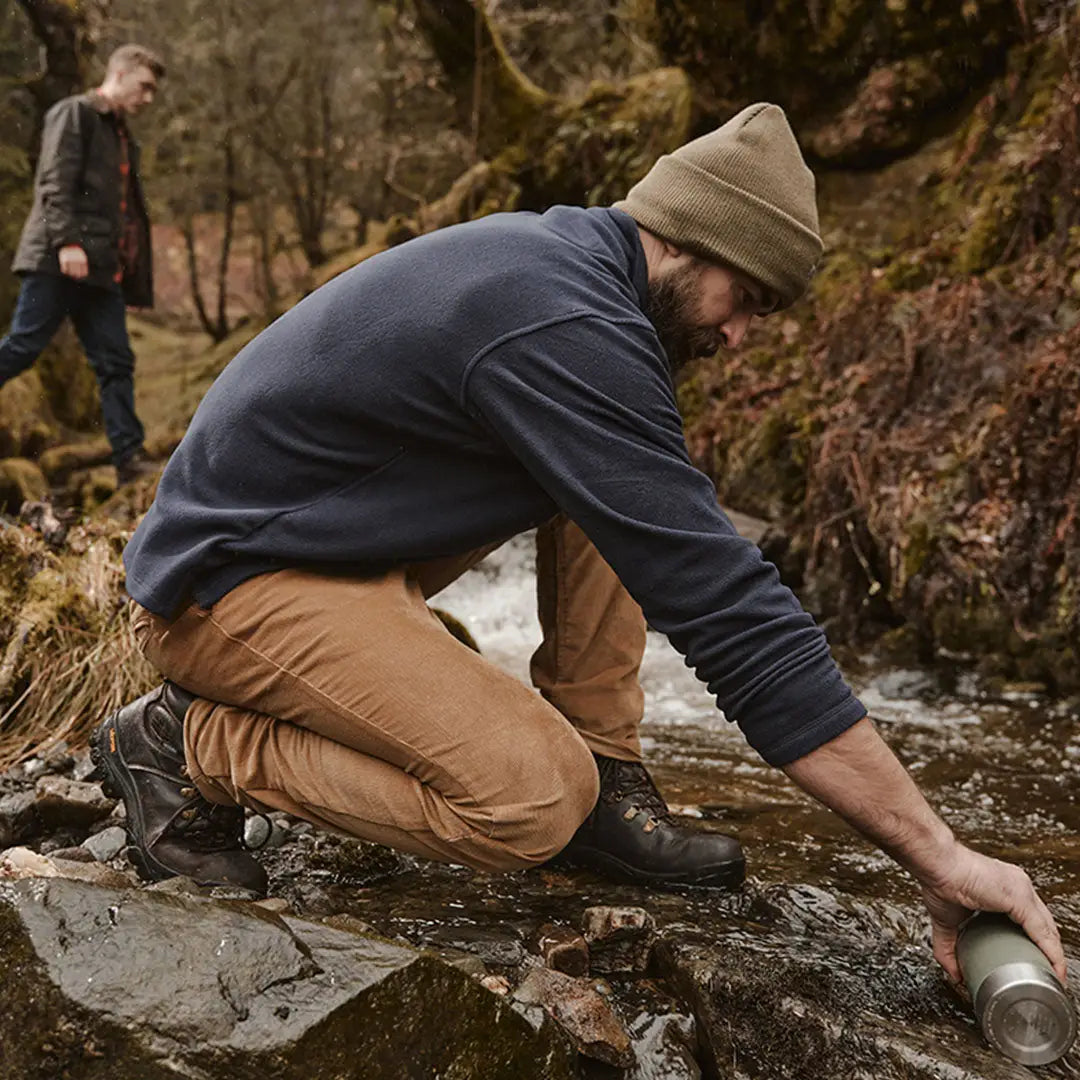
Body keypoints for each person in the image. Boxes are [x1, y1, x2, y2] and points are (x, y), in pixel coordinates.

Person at [92, 103, 1065, 987]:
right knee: (528, 800)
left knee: (630, 484)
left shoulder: (579, 281)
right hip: (221, 590)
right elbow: (734, 620)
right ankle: (186, 742)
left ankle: (609, 774)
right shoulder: (563, 321)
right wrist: (939, 856)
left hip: (324, 547)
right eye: (751, 299)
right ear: (698, 240)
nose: (742, 338)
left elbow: (666, 527)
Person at [2, 43, 164, 484]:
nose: (149, 98)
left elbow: (127, 215)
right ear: (122, 72)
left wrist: (132, 283)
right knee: (23, 347)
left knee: (116, 361)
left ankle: (129, 460)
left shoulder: (123, 136)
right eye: (145, 86)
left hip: (99, 271)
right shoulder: (74, 113)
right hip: (58, 259)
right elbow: (54, 181)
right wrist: (68, 243)